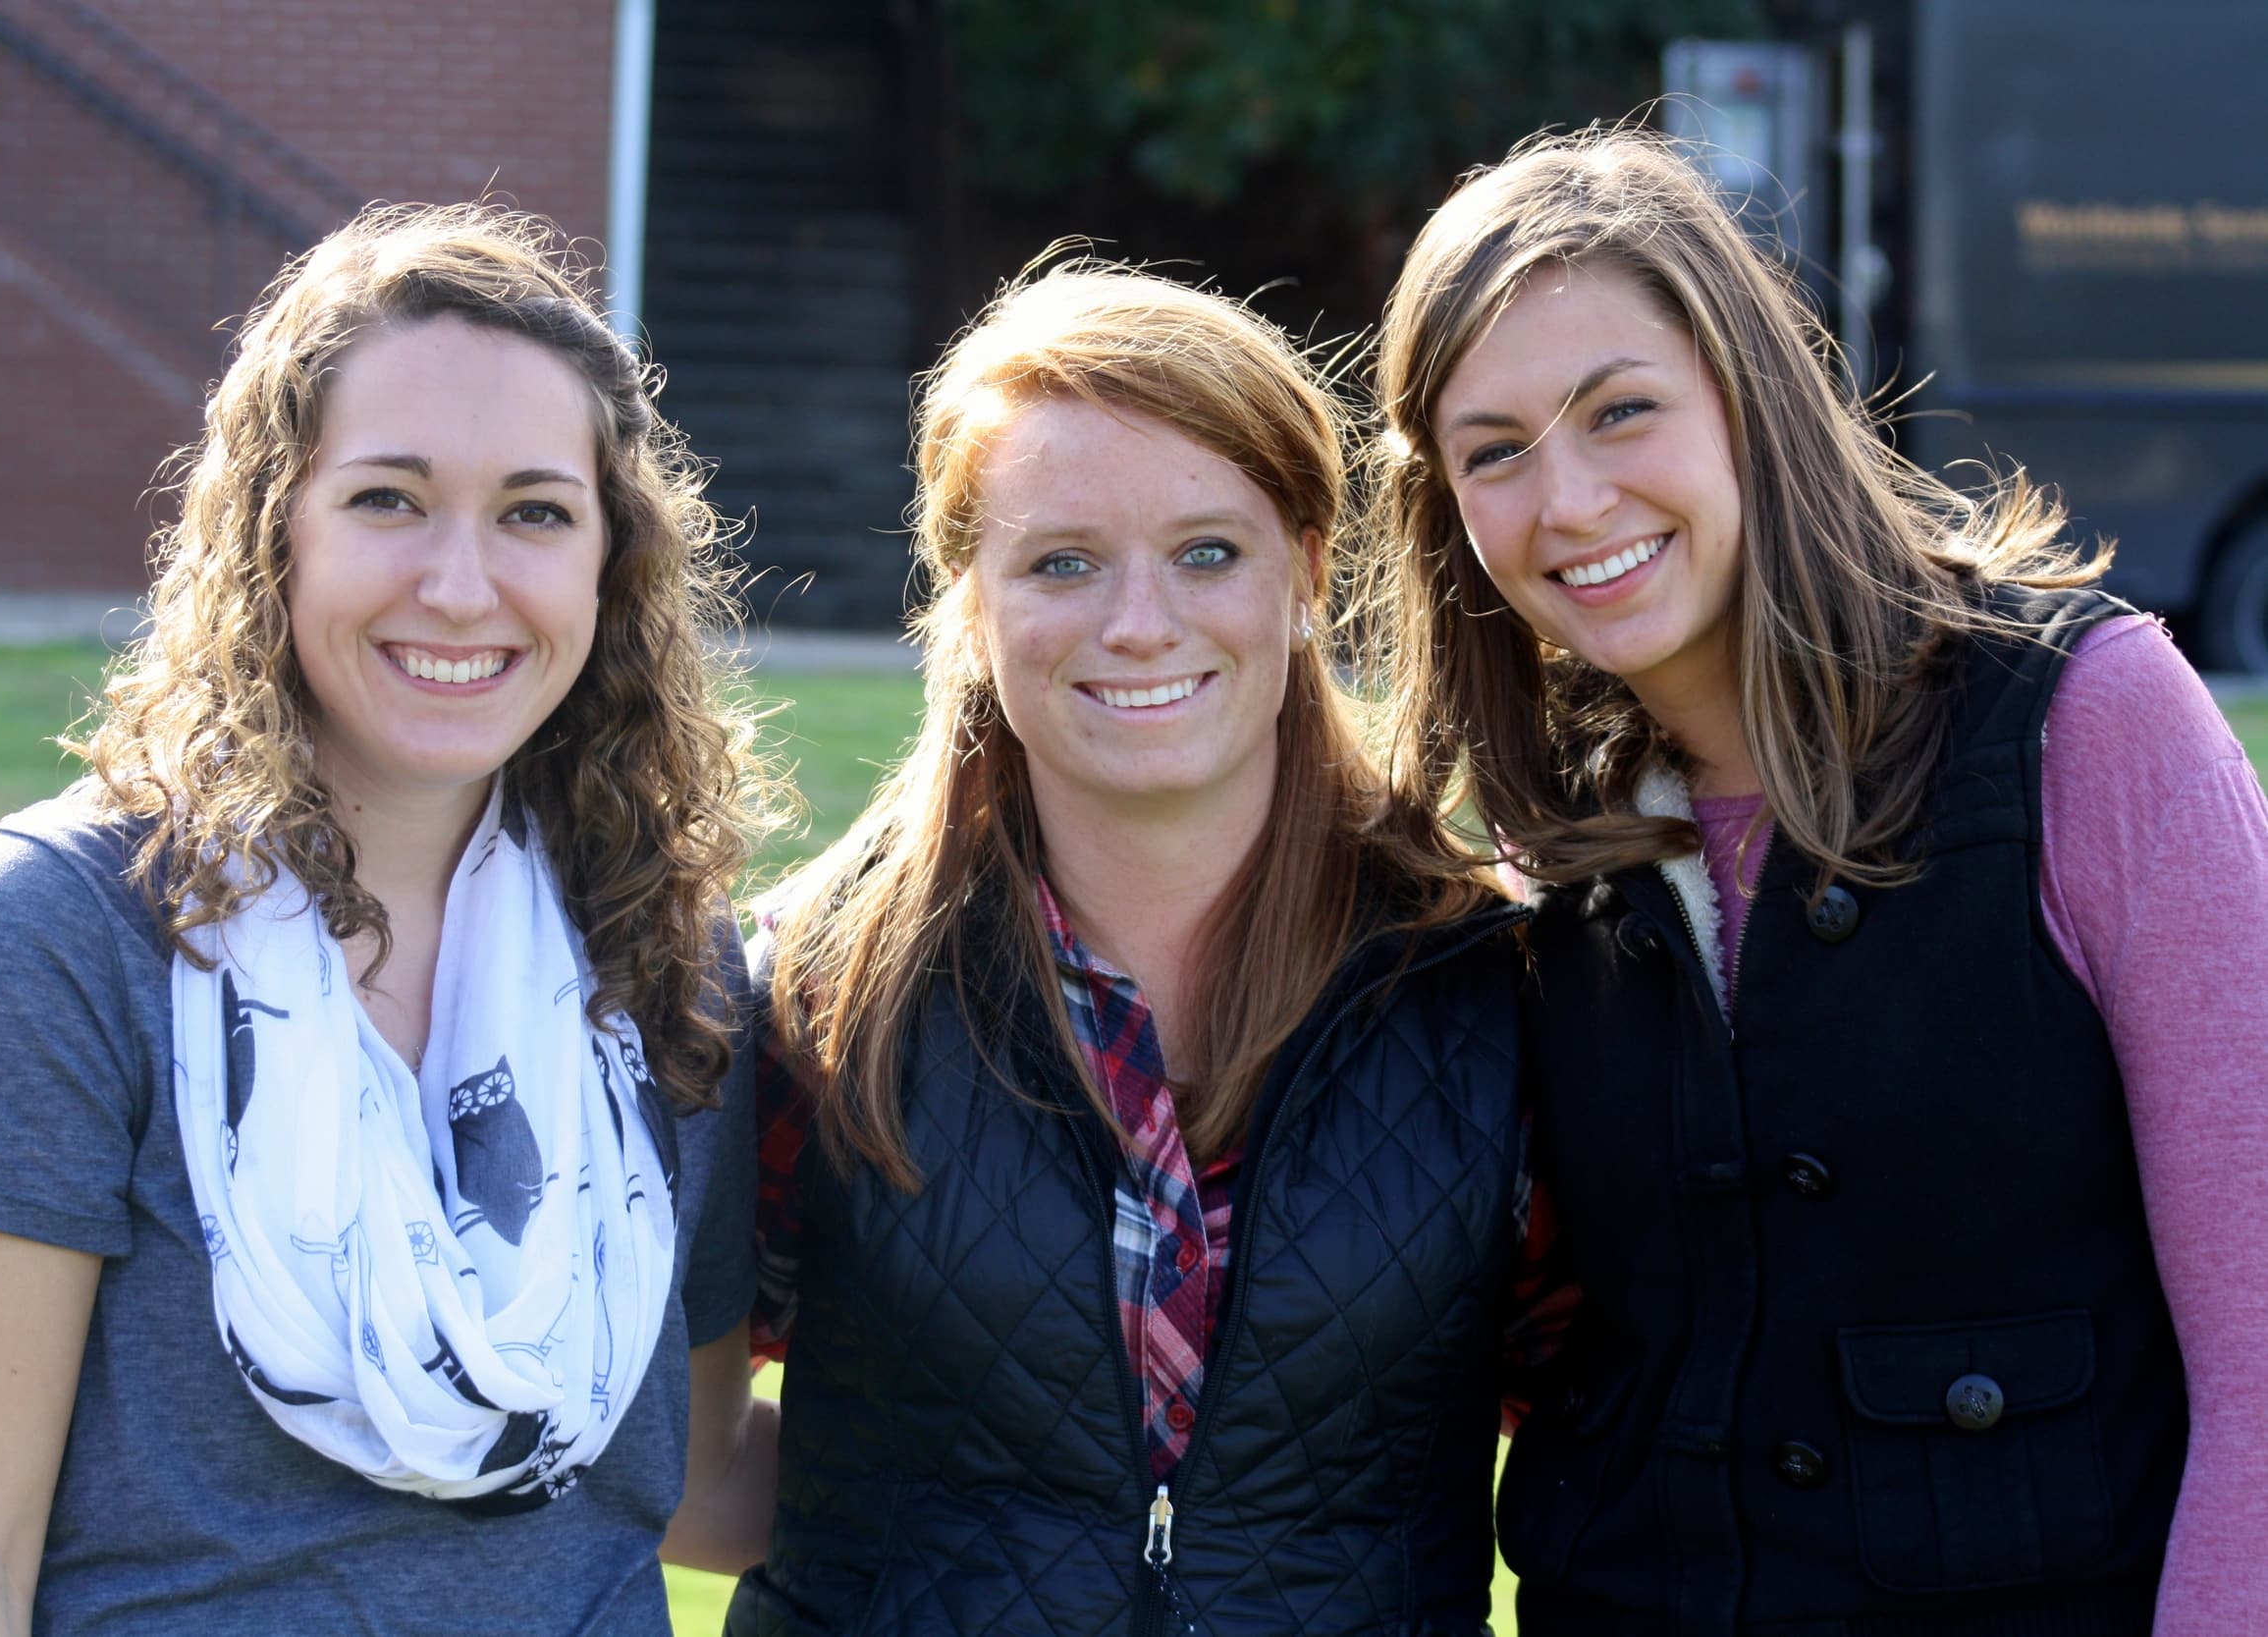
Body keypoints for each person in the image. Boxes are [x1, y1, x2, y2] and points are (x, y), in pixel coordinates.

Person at [1372, 129, 2268, 1636]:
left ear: (1751, 395)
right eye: (1495, 450)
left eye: (1622, 411)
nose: (1571, 500)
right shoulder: (1538, 837)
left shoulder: (2091, 721)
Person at [0, 203, 779, 1635]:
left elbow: (696, 1476)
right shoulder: (57, 944)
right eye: (387, 499)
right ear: (270, 531)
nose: (461, 587)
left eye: (535, 511)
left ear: (610, 561)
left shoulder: (666, 961)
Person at [729, 264, 1531, 1635]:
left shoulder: (1499, 989)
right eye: (1062, 562)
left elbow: (1632, 1446)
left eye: (1208, 552)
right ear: (972, 605)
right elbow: (662, 1455)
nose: (1139, 623)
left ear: (1308, 573)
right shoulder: (811, 990)